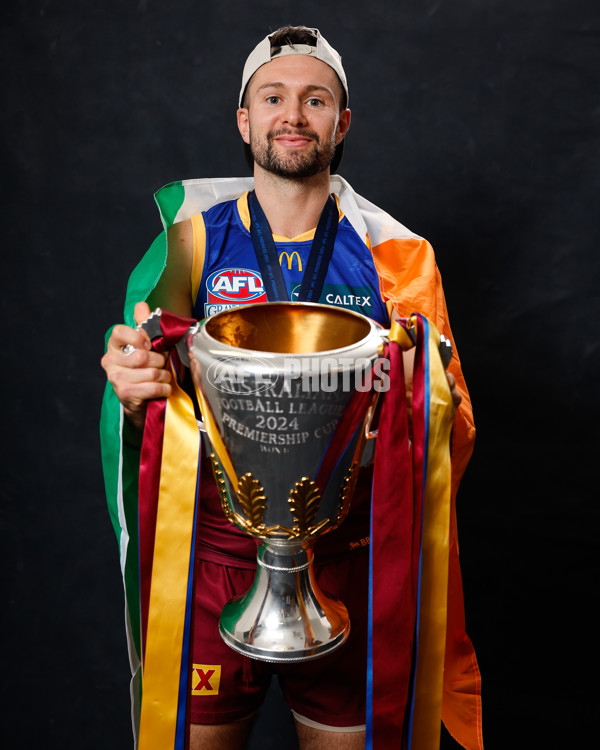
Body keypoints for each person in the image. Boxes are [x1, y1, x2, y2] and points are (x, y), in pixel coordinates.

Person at [101, 25, 482, 750]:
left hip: (349, 560)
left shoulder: (395, 258)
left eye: (315, 100)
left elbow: (451, 420)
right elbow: (142, 368)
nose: (293, 115)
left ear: (341, 124)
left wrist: (422, 392)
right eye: (273, 97)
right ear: (244, 120)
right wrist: (132, 383)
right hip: (213, 556)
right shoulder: (191, 244)